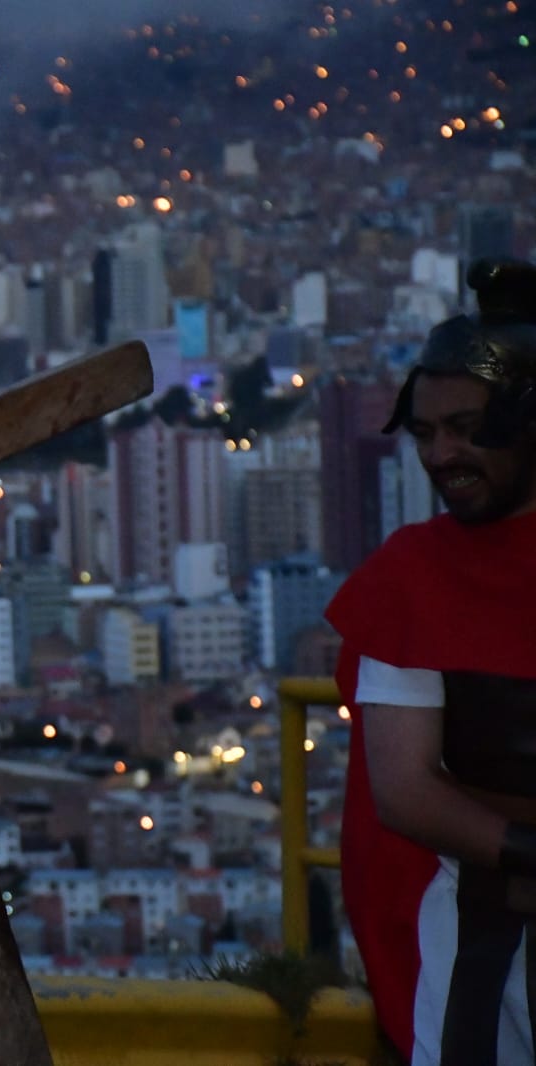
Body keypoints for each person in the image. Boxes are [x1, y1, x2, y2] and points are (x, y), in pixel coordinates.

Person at [325, 258, 536, 1065]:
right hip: (481, 943)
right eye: (423, 433)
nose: (440, 455)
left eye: (466, 429)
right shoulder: (411, 577)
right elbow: (405, 791)